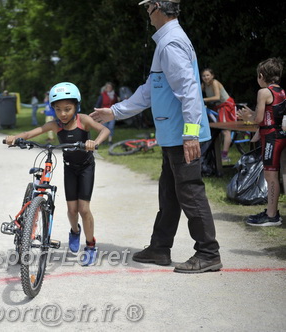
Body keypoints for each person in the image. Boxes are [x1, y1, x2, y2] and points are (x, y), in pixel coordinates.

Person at [91, 0, 222, 273]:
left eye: (148, 8)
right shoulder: (166, 42)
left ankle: (208, 253)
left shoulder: (171, 43)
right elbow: (151, 90)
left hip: (181, 135)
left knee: (190, 192)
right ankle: (160, 248)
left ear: (159, 9)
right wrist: (114, 111)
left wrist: (190, 134)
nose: (147, 15)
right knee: (170, 193)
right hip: (173, 134)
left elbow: (188, 90)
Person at [5, 82, 110, 266]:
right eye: (58, 109)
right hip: (70, 167)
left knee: (84, 209)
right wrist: (15, 138)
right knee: (71, 210)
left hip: (86, 167)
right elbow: (31, 133)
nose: (63, 113)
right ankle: (75, 231)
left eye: (68, 109)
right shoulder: (54, 125)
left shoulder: (83, 120)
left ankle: (91, 245)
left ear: (76, 106)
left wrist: (95, 142)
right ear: (53, 108)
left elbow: (105, 130)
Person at [237, 58, 285, 227]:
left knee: (270, 177)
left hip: (271, 138)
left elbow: (258, 119)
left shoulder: (263, 92)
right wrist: (253, 114)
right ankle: (272, 212)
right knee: (272, 176)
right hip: (277, 135)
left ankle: (272, 216)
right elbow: (271, 115)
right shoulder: (280, 91)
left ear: (261, 75)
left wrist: (247, 117)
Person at [201, 68, 236, 162]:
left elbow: (217, 97)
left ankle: (224, 155)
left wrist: (203, 100)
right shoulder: (204, 85)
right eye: (203, 76)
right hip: (217, 106)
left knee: (225, 130)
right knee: (216, 129)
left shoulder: (215, 83)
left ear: (212, 76)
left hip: (226, 105)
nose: (205, 77)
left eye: (207, 75)